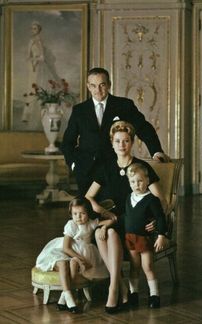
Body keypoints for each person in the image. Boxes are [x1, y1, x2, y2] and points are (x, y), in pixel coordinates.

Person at [85, 121, 168, 313]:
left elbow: (160, 199)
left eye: (126, 141)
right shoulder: (106, 167)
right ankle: (118, 285)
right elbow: (89, 196)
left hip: (136, 225)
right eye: (117, 141)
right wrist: (104, 212)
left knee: (111, 234)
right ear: (112, 143)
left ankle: (116, 289)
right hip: (116, 220)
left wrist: (155, 221)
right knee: (105, 233)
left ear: (132, 143)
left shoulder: (142, 168)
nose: (122, 145)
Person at [61, 67, 169, 196]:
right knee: (88, 210)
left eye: (102, 85)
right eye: (93, 86)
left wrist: (156, 150)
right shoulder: (79, 110)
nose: (98, 90)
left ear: (109, 85)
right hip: (86, 170)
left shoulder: (124, 105)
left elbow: (143, 127)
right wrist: (74, 164)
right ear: (88, 86)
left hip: (115, 167)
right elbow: (67, 142)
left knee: (115, 209)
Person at [35, 197, 114, 314]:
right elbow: (66, 247)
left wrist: (104, 227)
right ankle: (68, 298)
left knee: (73, 265)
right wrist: (80, 258)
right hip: (65, 250)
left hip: (82, 252)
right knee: (63, 263)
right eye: (75, 214)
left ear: (88, 213)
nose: (78, 217)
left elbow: (111, 220)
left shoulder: (91, 223)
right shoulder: (71, 225)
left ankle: (63, 299)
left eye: (82, 213)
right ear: (71, 214)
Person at [125, 163, 169, 309]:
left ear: (147, 181)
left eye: (140, 181)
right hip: (130, 237)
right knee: (134, 267)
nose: (136, 185)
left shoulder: (151, 199)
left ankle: (154, 295)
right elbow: (126, 216)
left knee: (147, 266)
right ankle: (133, 294)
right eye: (132, 182)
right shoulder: (129, 197)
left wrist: (161, 235)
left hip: (144, 239)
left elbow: (161, 217)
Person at [22, 21, 60, 130]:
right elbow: (28, 56)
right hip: (34, 67)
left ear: (39, 30)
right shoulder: (31, 41)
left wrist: (41, 58)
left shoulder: (41, 41)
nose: (34, 30)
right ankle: (28, 114)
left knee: (43, 87)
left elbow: (45, 56)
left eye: (36, 28)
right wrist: (35, 60)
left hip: (41, 67)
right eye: (33, 28)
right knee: (32, 88)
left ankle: (44, 114)